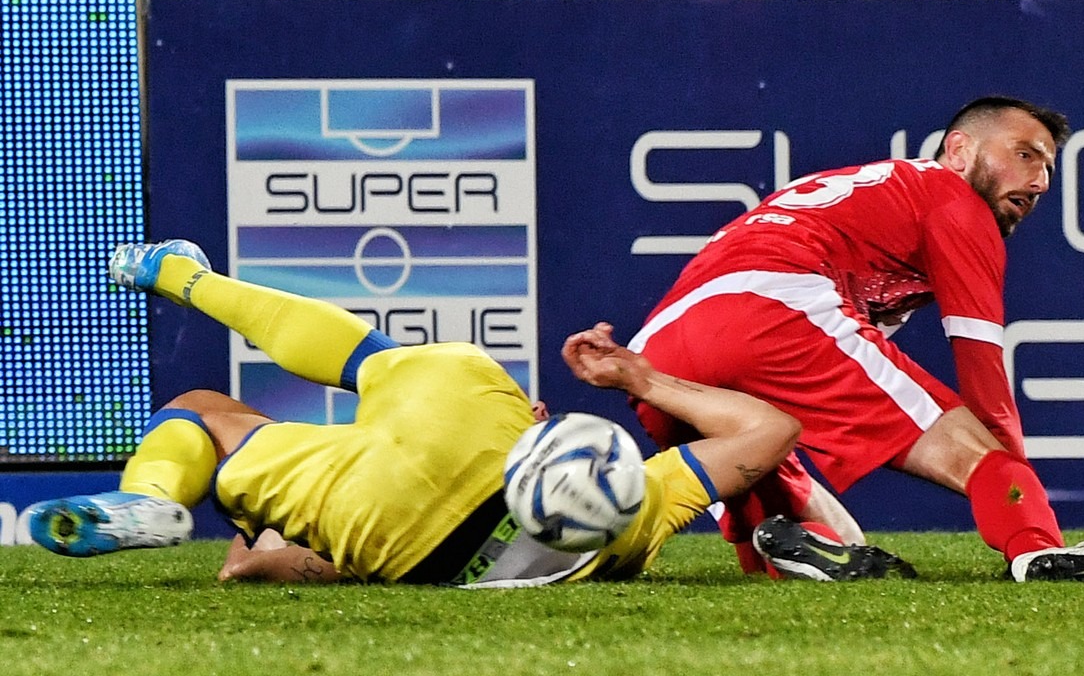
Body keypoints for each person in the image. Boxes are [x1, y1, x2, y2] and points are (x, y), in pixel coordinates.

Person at [28, 240, 914, 586]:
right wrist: (646, 382)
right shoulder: (631, 523)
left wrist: (629, 377)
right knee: (226, 437)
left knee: (310, 373)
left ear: (545, 425)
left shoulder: (631, 499)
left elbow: (768, 430)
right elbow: (773, 432)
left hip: (464, 433)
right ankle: (177, 500)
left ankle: (181, 288)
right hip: (401, 539)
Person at [628, 95, 1084, 582]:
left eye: (1048, 168)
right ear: (958, 150)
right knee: (981, 456)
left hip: (658, 353)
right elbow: (983, 370)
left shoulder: (874, 195)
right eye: (1024, 155)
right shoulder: (952, 199)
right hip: (773, 308)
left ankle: (788, 557)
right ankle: (1038, 553)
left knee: (802, 526)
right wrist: (1016, 494)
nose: (1039, 182)